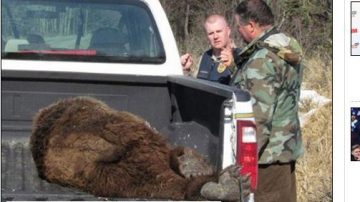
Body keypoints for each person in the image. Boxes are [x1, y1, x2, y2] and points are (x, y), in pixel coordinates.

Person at [231, 0, 304, 201]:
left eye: (239, 26)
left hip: (266, 160)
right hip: (285, 152)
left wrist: (241, 165)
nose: (239, 32)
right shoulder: (284, 48)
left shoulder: (262, 59)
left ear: (252, 26)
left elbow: (258, 120)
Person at [181, 14, 240, 85]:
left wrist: (232, 67)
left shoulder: (240, 57)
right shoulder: (204, 57)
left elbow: (246, 88)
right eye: (211, 33)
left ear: (228, 31)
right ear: (207, 36)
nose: (215, 36)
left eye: (219, 31)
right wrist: (186, 71)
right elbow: (195, 86)